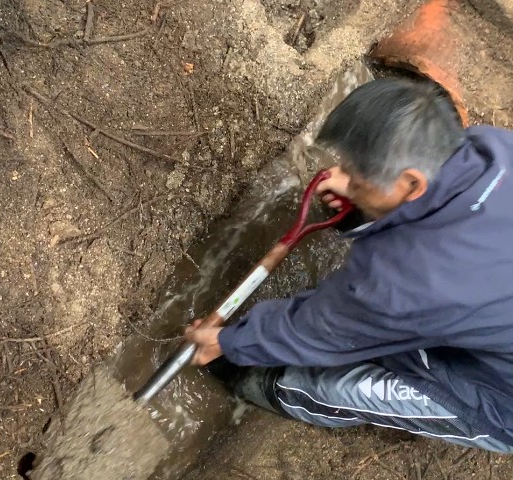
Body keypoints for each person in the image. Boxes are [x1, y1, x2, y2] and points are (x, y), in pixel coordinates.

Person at [184, 77, 513, 453]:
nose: (342, 179)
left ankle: (257, 385)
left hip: (501, 399)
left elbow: (321, 330)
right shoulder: (494, 148)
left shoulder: (407, 281)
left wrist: (228, 343)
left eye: (356, 178)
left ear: (410, 183)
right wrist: (363, 194)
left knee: (325, 388)